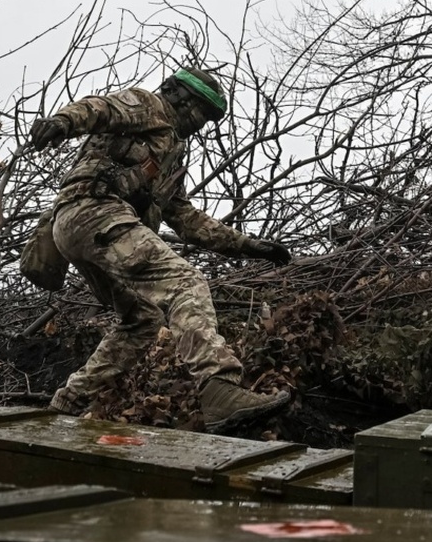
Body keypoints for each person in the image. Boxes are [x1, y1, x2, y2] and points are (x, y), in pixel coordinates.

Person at [28, 65, 293, 433]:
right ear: (179, 96)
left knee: (143, 321)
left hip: (86, 227)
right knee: (185, 283)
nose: (202, 123)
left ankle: (68, 402)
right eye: (201, 111)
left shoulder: (170, 155)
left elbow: (185, 218)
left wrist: (248, 246)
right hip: (95, 211)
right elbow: (100, 108)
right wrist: (62, 122)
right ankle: (218, 387)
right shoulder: (148, 105)